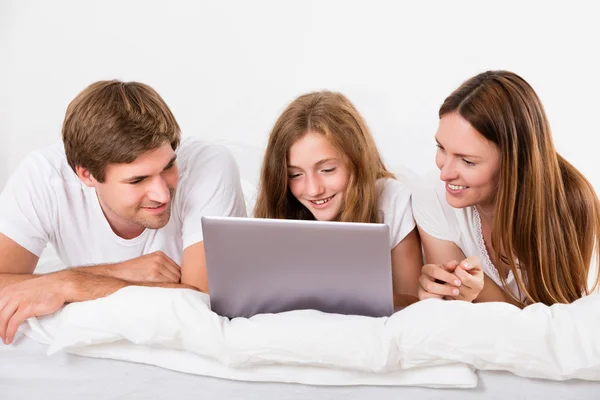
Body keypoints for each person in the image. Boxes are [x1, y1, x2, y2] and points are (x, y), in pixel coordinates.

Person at [0, 80, 247, 345]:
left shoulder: (210, 166)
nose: (162, 194)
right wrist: (110, 272)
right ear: (87, 175)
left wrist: (71, 285)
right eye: (137, 180)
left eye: (168, 166)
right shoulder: (45, 177)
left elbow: (202, 301)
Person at [413, 70, 600, 306]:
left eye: (468, 161)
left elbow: (563, 329)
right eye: (441, 148)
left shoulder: (573, 205)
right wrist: (449, 293)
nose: (445, 173)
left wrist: (479, 298)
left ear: (515, 162)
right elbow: (456, 307)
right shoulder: (433, 194)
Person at [253, 91, 422, 308]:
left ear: (357, 161)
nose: (313, 190)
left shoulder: (391, 200)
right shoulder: (281, 206)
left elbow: (413, 302)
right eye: (295, 175)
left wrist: (334, 297)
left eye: (327, 169)